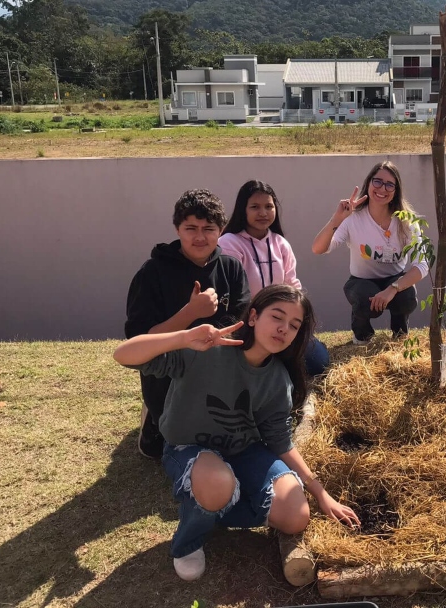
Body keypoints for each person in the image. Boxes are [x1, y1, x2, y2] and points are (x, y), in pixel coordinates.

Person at [113, 285, 361, 581]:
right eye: (277, 317)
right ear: (253, 317)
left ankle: (209, 504)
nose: (284, 329)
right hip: (188, 448)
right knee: (218, 482)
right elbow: (123, 355)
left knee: (296, 516)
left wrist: (321, 494)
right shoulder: (205, 351)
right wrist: (183, 337)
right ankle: (189, 539)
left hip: (243, 451)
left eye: (294, 326)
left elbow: (280, 442)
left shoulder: (278, 380)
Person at [125, 189, 250, 459]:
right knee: (161, 449)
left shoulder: (231, 268)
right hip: (168, 371)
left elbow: (243, 325)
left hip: (218, 369)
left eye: (209, 228)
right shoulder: (152, 273)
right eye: (190, 228)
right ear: (177, 228)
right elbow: (137, 343)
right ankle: (154, 420)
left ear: (222, 229)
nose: (200, 237)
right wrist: (190, 313)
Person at [218, 180, 330, 376]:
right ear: (242, 210)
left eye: (268, 207)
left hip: (281, 322)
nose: (263, 213)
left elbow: (293, 285)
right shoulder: (229, 243)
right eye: (255, 207)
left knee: (318, 362)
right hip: (246, 324)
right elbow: (231, 295)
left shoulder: (280, 243)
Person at [311, 160, 429, 344]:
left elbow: (422, 264)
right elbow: (319, 249)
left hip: (394, 279)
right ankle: (362, 335)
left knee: (407, 296)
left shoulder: (406, 221)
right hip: (361, 281)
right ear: (369, 183)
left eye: (390, 184)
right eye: (378, 181)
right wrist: (337, 219)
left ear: (396, 191)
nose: (382, 188)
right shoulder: (353, 218)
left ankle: (400, 334)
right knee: (364, 299)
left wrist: (392, 289)